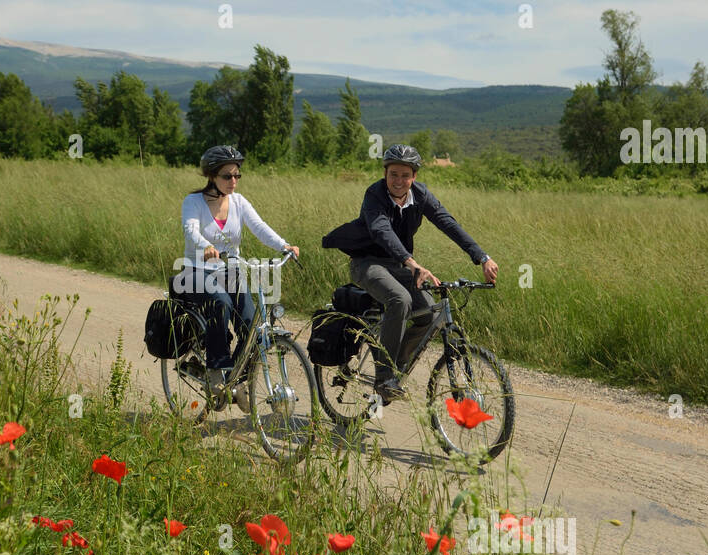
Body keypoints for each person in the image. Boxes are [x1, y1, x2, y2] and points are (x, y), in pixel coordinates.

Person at [321, 144, 497, 402]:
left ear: (414, 176)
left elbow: (447, 223)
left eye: (405, 175)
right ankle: (385, 379)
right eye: (393, 174)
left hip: (400, 265)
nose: (399, 181)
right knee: (399, 299)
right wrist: (411, 262)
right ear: (385, 174)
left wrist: (481, 257)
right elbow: (382, 231)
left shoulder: (421, 195)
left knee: (428, 313)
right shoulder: (375, 195)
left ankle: (395, 364)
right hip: (368, 263)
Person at [180, 145, 299, 409]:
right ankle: (216, 369)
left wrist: (284, 245)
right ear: (212, 176)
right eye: (227, 176)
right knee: (220, 303)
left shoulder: (238, 202)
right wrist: (205, 247)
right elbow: (191, 230)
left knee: (251, 321)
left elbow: (259, 227)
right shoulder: (194, 202)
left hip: (229, 271)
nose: (233, 181)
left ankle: (240, 379)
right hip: (197, 272)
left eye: (237, 176)